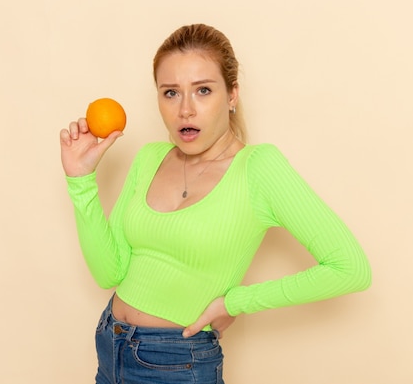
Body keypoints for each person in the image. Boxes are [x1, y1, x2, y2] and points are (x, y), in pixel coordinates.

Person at [59, 23, 371, 384]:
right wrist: (80, 180)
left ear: (232, 95)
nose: (185, 110)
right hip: (110, 343)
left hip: (177, 361)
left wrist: (236, 302)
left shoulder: (259, 168)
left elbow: (351, 268)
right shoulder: (149, 157)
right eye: (171, 93)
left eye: (203, 90)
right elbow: (108, 272)